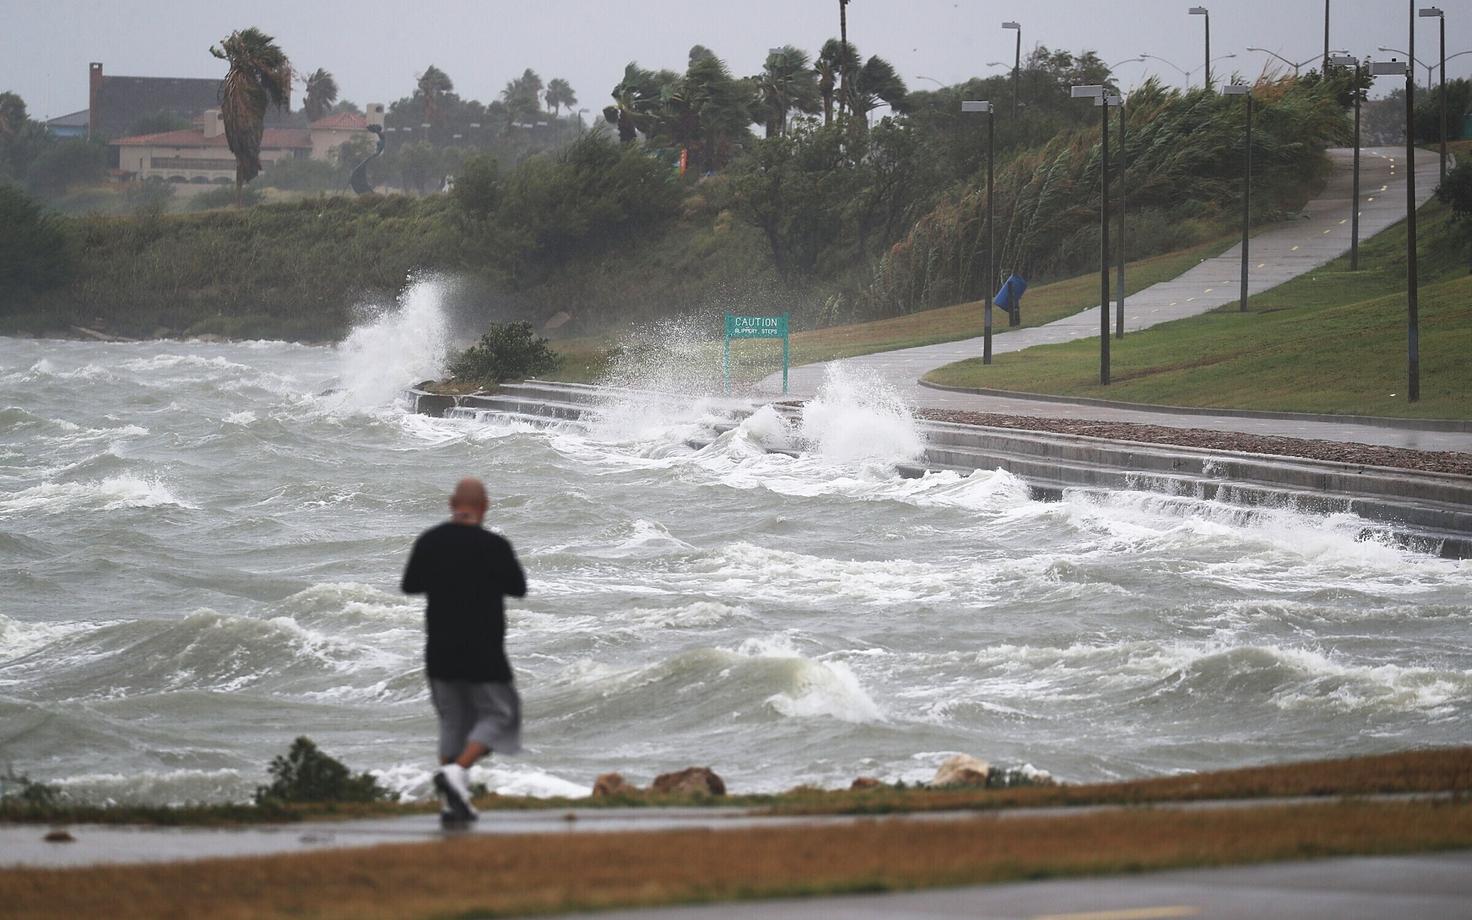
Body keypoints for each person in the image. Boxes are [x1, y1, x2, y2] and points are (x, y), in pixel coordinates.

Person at [401, 477, 527, 827]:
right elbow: (518, 588)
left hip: (440, 649)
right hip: (484, 650)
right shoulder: (494, 546)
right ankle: (457, 772)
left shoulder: (430, 541)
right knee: (502, 715)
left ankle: (451, 805)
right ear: (484, 507)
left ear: (451, 504)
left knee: (452, 723)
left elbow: (410, 585)